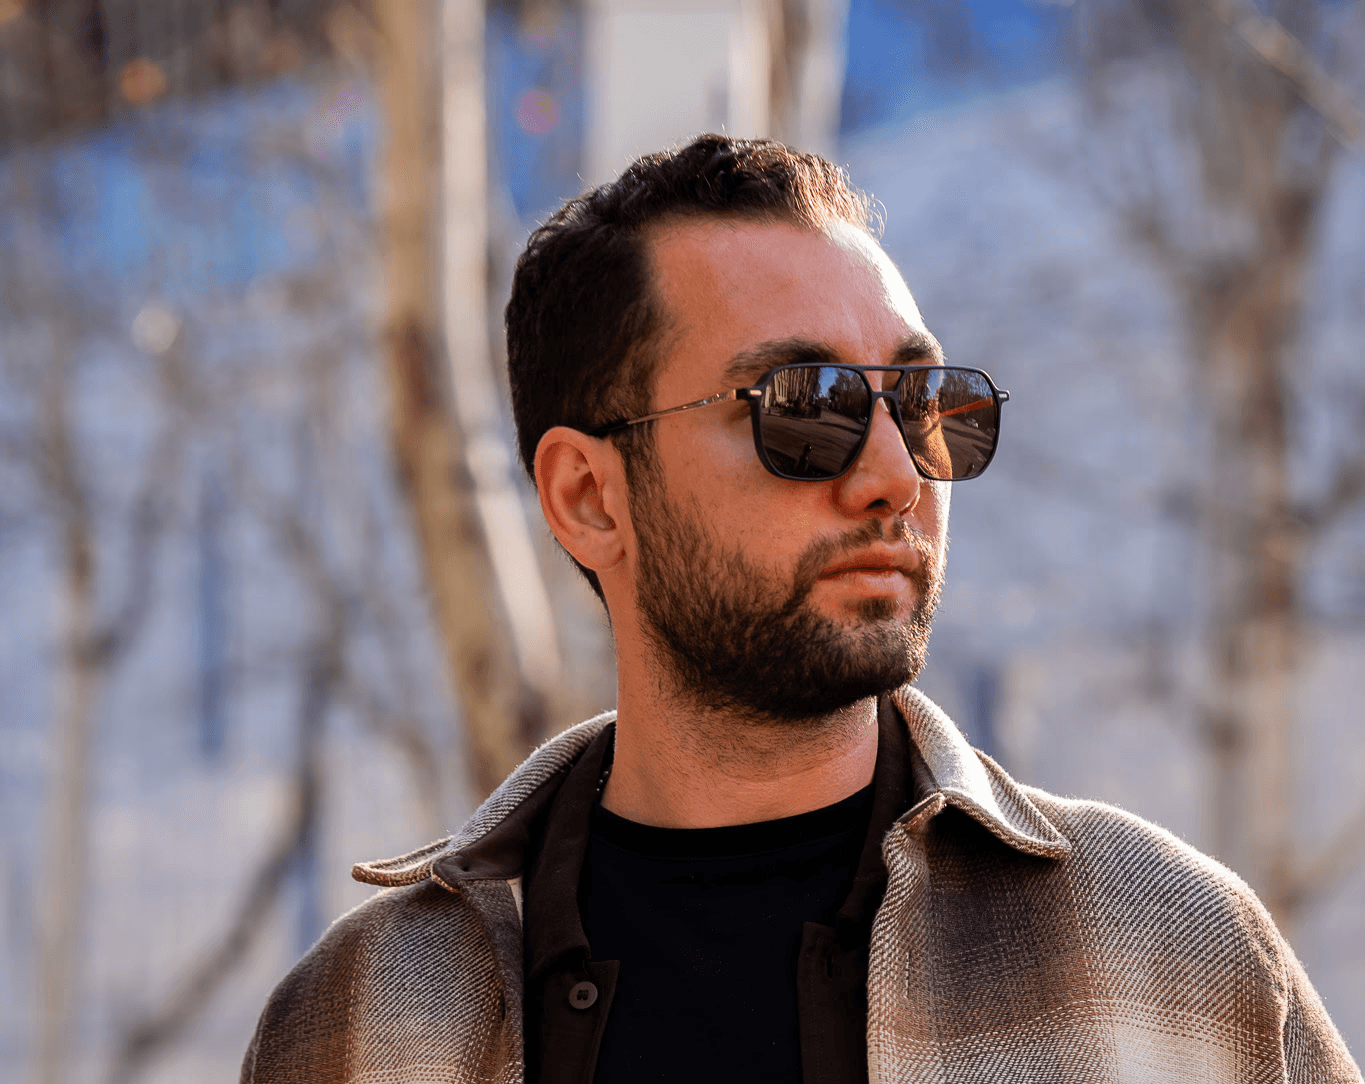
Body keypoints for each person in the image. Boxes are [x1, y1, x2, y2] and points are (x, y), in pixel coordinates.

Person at [240, 135, 1360, 1084]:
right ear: (589, 497)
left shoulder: (1174, 960)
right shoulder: (355, 1022)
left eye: (923, 404)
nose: (896, 476)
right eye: (807, 407)